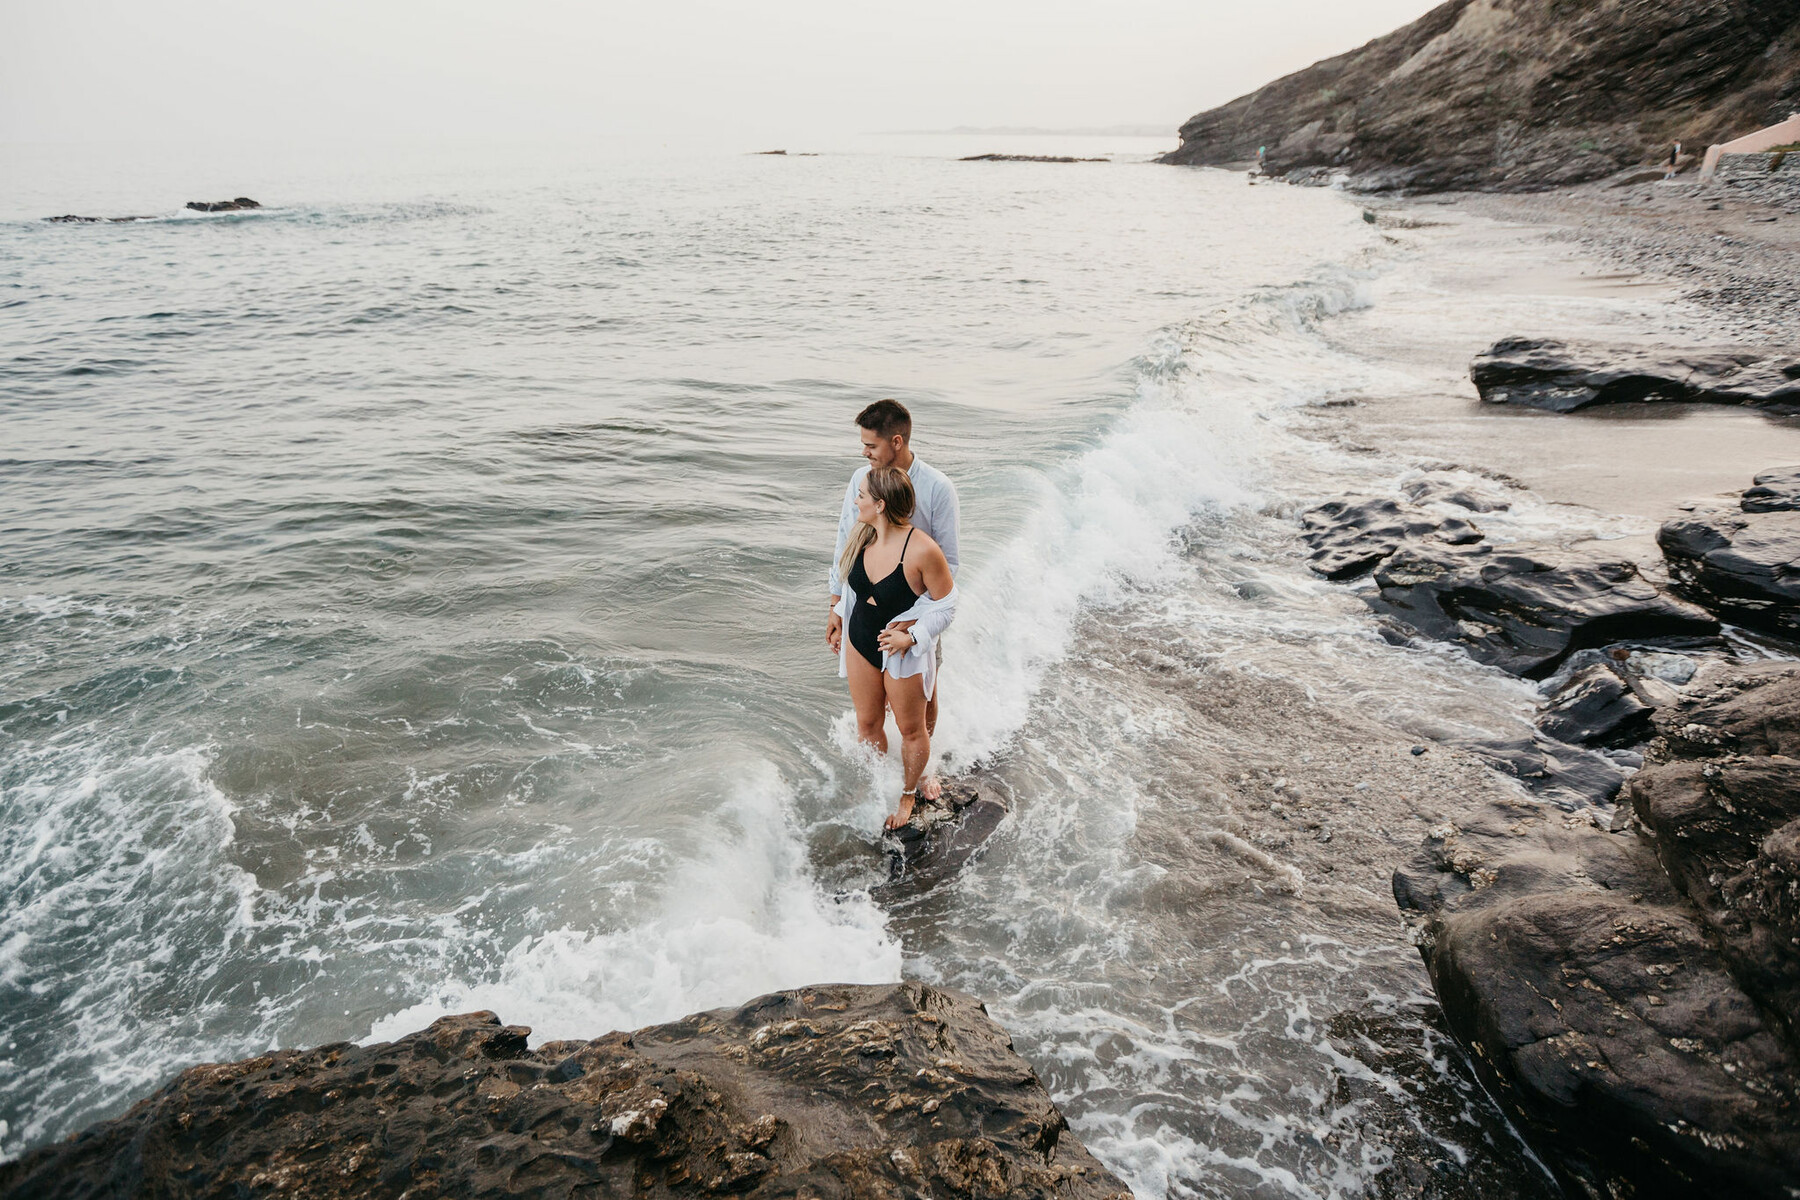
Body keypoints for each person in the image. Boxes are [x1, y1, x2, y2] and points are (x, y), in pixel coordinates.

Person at [825, 400, 961, 799]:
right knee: (868, 717)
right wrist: (835, 605)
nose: (864, 452)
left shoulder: (937, 488)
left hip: (916, 611)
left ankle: (923, 773)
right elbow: (844, 543)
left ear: (896, 442)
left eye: (870, 445)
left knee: (924, 700)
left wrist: (915, 627)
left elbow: (949, 568)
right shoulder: (861, 480)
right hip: (865, 605)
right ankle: (878, 789)